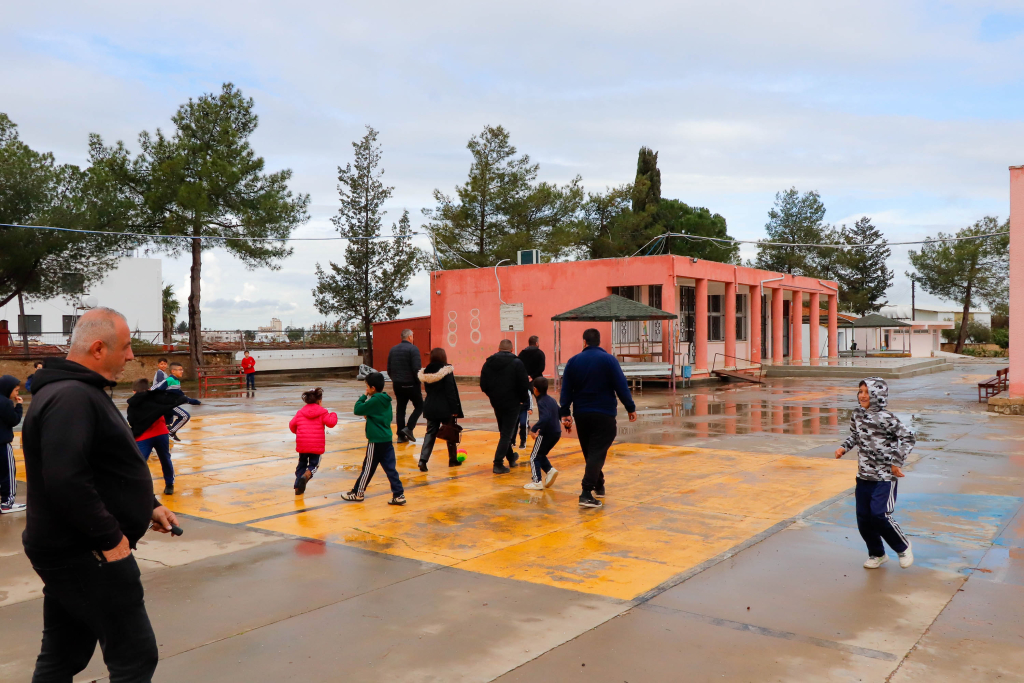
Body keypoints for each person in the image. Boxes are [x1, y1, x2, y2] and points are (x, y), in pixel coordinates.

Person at [21, 307, 178, 682]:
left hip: (71, 550)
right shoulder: (71, 398)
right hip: (86, 553)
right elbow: (66, 479)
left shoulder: (78, 392)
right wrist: (112, 540)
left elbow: (100, 466)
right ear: (96, 348)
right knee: (134, 657)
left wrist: (148, 506)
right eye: (124, 347)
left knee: (63, 656)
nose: (130, 356)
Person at [835, 377, 915, 569]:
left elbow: (908, 437)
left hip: (884, 476)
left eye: (866, 392)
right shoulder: (857, 414)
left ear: (877, 394)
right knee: (863, 518)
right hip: (864, 476)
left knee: (879, 515)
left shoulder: (887, 418)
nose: (862, 395)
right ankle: (877, 553)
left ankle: (903, 546)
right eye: (860, 391)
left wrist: (897, 462)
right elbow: (855, 435)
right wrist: (844, 448)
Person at [559, 328, 637, 509]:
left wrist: (564, 412)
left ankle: (598, 483)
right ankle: (586, 492)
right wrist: (630, 407)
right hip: (604, 414)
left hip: (582, 414)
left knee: (591, 451)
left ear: (584, 342)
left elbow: (566, 389)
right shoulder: (609, 360)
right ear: (599, 342)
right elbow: (621, 385)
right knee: (596, 452)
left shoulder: (573, 361)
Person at [341, 372, 406, 505]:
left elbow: (357, 409)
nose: (366, 389)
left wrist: (363, 396)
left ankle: (358, 493)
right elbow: (383, 417)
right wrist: (370, 416)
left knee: (367, 469)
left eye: (367, 387)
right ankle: (399, 494)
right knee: (390, 469)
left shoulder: (374, 399)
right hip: (387, 439)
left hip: (376, 441)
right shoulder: (385, 400)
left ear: (373, 388)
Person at [127, 378, 189, 495]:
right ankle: (169, 484)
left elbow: (131, 420)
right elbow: (169, 407)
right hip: (161, 433)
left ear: (134, 391)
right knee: (165, 459)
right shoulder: (156, 399)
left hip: (143, 436)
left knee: (140, 463)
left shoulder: (132, 404)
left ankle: (142, 488)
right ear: (149, 389)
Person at [480, 339, 530, 474]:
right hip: (512, 403)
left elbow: (483, 384)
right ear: (512, 350)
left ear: (498, 348)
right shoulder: (517, 363)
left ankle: (511, 457)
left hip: (496, 402)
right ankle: (498, 463)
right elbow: (524, 384)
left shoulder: (488, 363)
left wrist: (492, 395)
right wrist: (522, 400)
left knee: (504, 432)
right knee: (507, 433)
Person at [416, 347, 464, 471]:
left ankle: (423, 460)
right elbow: (450, 391)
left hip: (430, 406)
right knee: (450, 432)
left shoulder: (426, 371)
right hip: (445, 407)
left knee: (430, 433)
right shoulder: (446, 370)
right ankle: (453, 460)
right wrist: (455, 409)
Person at [289, 387, 338, 495]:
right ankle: (307, 474)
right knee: (314, 464)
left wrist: (299, 433)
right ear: (319, 401)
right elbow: (331, 423)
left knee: (301, 463)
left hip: (302, 444)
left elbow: (292, 425)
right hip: (316, 446)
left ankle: (298, 487)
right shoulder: (323, 412)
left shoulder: (300, 412)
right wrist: (333, 414)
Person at [523, 377, 560, 491]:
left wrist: (534, 429)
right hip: (556, 433)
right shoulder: (551, 400)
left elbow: (545, 417)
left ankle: (536, 481)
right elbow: (559, 411)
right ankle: (550, 470)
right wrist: (566, 421)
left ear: (535, 389)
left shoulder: (541, 401)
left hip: (546, 433)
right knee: (540, 454)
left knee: (534, 457)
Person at [387, 329, 423, 444]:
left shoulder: (393, 350)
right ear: (410, 337)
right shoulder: (413, 349)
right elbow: (416, 369)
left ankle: (400, 436)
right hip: (411, 384)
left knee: (400, 409)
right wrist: (418, 382)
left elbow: (389, 368)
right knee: (420, 406)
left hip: (397, 384)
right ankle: (409, 428)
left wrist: (395, 379)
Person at [0, 374, 25, 514]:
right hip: (3, 443)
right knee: (8, 473)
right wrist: (19, 406)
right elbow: (14, 420)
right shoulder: (5, 402)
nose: (17, 393)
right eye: (15, 390)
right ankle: (7, 503)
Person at [517, 336, 545, 448]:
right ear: (537, 343)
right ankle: (542, 422)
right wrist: (532, 376)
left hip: (524, 380)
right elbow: (541, 367)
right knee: (541, 402)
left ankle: (525, 424)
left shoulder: (522, 353)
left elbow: (518, 366)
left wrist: (526, 376)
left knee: (524, 402)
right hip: (537, 380)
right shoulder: (540, 353)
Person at [165, 361, 201, 442]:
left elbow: (178, 394)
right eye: (180, 370)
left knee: (166, 423)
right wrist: (190, 401)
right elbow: (179, 395)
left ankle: (168, 433)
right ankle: (171, 433)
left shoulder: (176, 380)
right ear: (173, 371)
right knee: (185, 416)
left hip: (170, 404)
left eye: (182, 369)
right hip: (167, 405)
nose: (182, 371)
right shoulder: (170, 380)